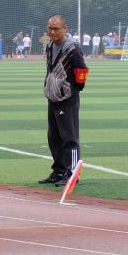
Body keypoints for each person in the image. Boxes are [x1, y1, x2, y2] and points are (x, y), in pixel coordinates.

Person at [39, 15, 88, 187]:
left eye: (56, 29)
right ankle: (59, 171)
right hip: (53, 97)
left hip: (67, 99)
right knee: (53, 138)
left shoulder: (73, 48)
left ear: (64, 29)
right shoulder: (50, 45)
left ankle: (72, 173)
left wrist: (73, 89)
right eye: (50, 28)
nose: (52, 32)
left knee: (69, 138)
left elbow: (81, 71)